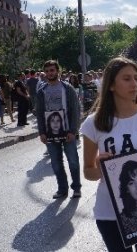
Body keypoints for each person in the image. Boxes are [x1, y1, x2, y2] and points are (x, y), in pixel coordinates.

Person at [80, 56, 137, 251]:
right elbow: (88, 172)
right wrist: (100, 168)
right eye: (127, 79)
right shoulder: (93, 123)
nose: (134, 83)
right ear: (111, 85)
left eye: (136, 78)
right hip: (109, 212)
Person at [36, 60, 81, 199]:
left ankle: (76, 188)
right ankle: (62, 189)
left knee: (73, 161)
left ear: (58, 71)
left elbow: (76, 110)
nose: (50, 73)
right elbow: (39, 112)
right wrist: (42, 132)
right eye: (47, 71)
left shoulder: (68, 88)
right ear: (45, 73)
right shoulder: (41, 91)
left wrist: (73, 131)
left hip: (67, 131)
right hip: (50, 133)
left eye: (52, 70)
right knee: (56, 163)